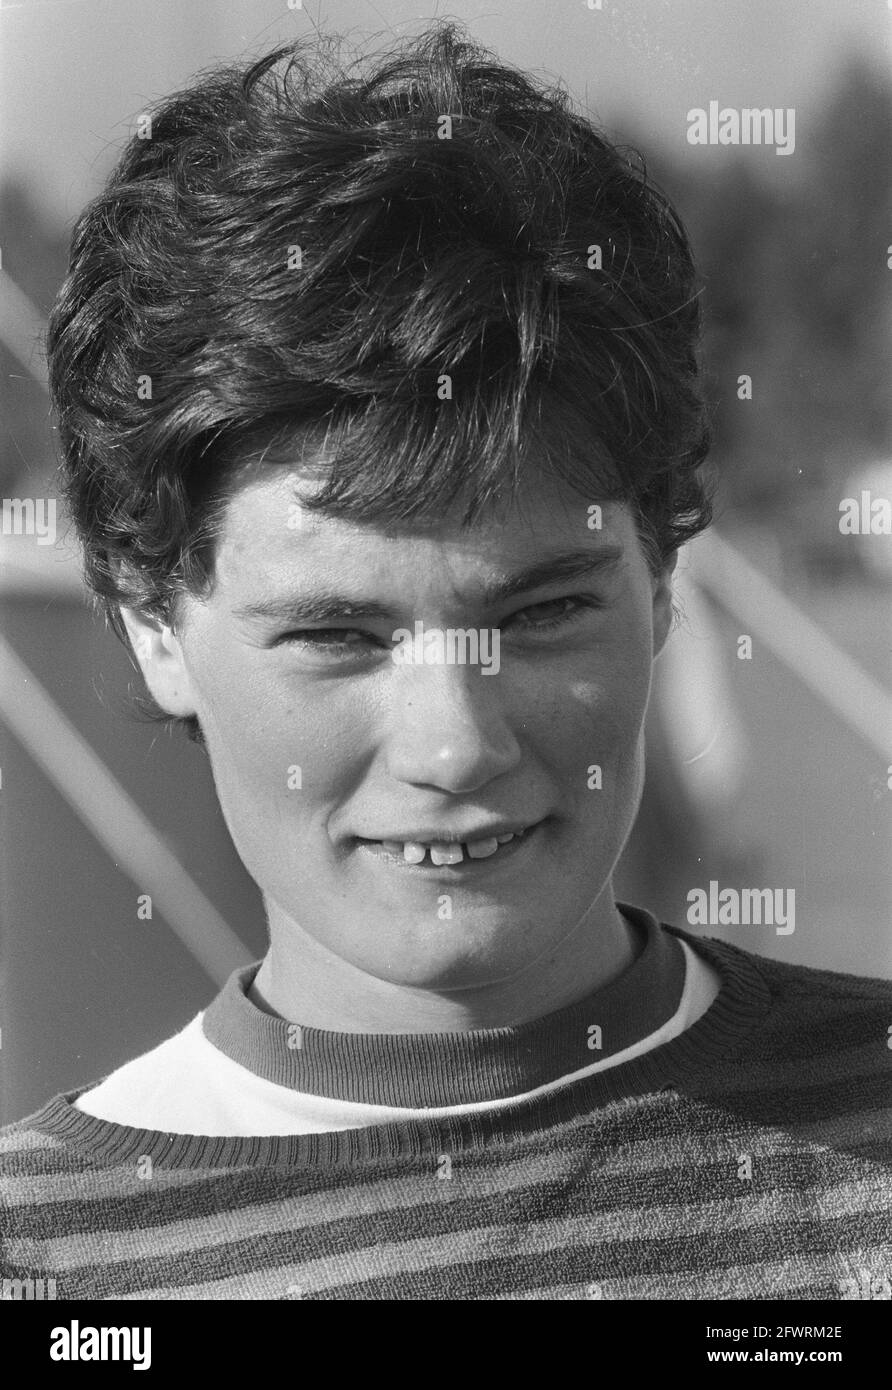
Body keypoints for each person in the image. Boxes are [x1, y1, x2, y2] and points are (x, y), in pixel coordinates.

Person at [1, 21, 889, 1302]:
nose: (455, 742)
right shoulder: (48, 1264)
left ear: (660, 582)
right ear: (153, 624)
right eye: (336, 636)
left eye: (538, 616)